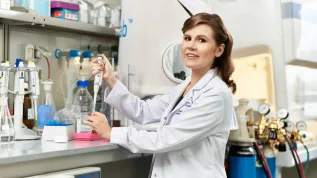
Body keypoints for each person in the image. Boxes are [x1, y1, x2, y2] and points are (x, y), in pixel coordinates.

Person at [85, 12, 238, 178]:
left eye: (202, 40)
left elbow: (166, 139)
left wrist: (111, 132)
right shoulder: (184, 88)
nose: (191, 46)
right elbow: (143, 111)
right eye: (187, 38)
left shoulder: (216, 95)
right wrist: (111, 79)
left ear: (219, 50)